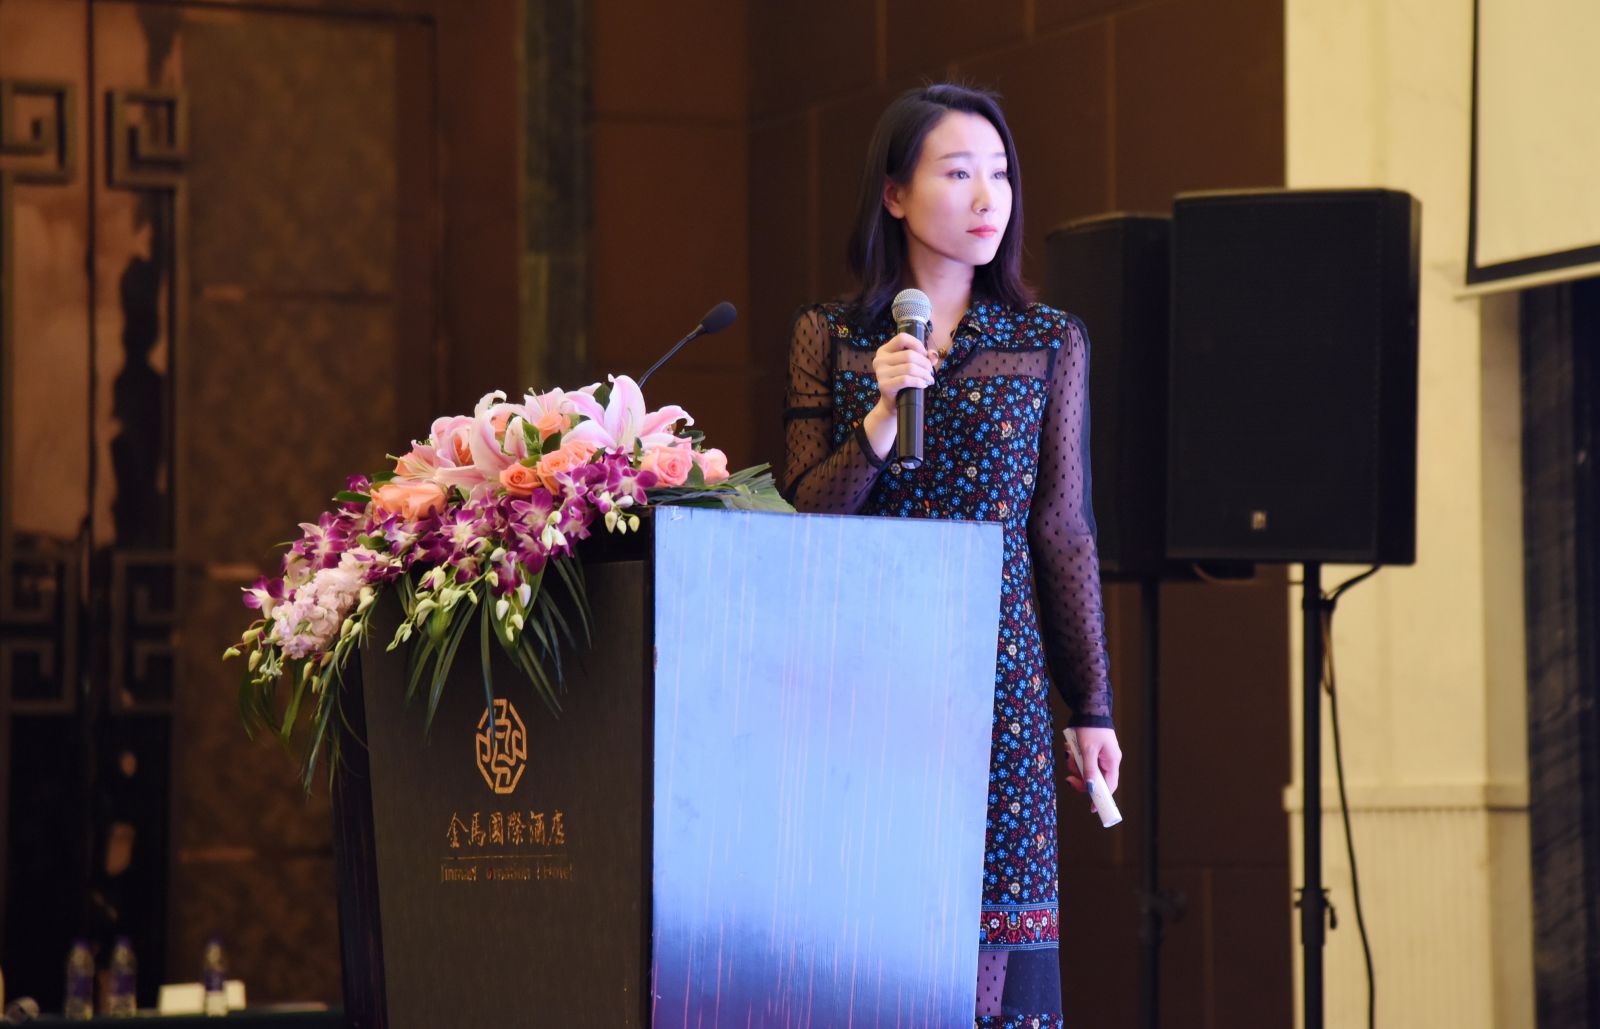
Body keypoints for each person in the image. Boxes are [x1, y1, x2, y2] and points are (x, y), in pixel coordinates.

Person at [782, 82, 1122, 1027]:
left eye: (1000, 175)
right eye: (959, 172)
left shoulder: (1049, 340)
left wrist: (1090, 703)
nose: (987, 198)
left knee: (991, 931)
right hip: (863, 671)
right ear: (895, 194)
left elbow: (1062, 528)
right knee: (869, 935)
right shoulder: (831, 336)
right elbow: (807, 516)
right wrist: (882, 419)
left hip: (997, 675)